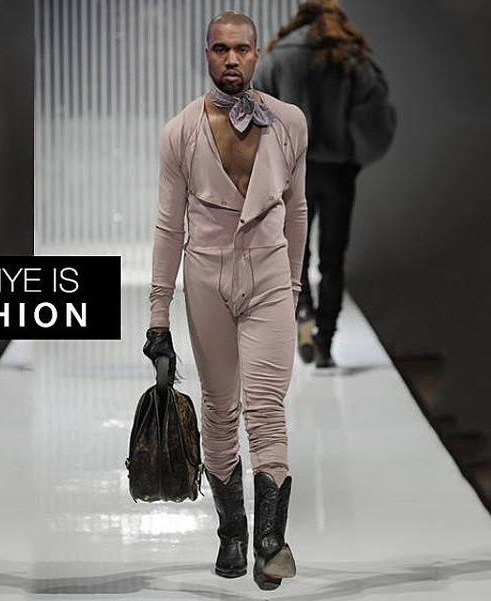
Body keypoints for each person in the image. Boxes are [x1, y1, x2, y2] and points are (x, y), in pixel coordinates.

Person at [142, 11, 307, 590]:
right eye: (220, 49)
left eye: (241, 49)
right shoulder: (179, 132)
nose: (231, 59)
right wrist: (157, 319)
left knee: (266, 408)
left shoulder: (289, 122)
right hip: (206, 278)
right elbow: (169, 228)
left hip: (269, 276)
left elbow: (298, 210)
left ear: (258, 54)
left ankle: (270, 543)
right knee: (219, 410)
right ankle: (232, 531)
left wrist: (292, 287)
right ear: (206, 53)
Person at [253, 0, 395, 369]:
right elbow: (375, 117)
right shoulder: (351, 59)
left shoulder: (278, 57)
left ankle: (303, 310)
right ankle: (326, 342)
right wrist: (353, 155)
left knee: (296, 254)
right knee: (333, 259)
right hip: (337, 173)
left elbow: (254, 116)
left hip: (293, 172)